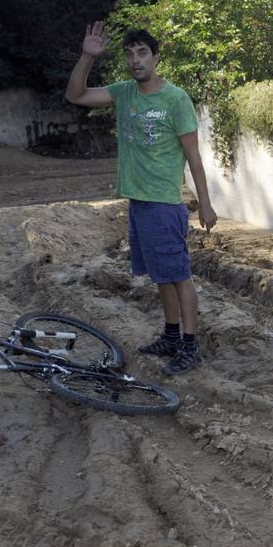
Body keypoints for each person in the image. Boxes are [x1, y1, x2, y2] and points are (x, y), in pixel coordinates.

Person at [65, 21, 217, 375]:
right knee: (161, 275)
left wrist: (205, 204)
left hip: (164, 204)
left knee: (179, 275)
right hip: (139, 203)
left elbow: (194, 157)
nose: (136, 60)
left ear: (156, 58)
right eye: (130, 54)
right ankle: (170, 335)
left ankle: (190, 346)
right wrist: (87, 56)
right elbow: (76, 95)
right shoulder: (124, 93)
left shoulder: (176, 99)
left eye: (143, 53)